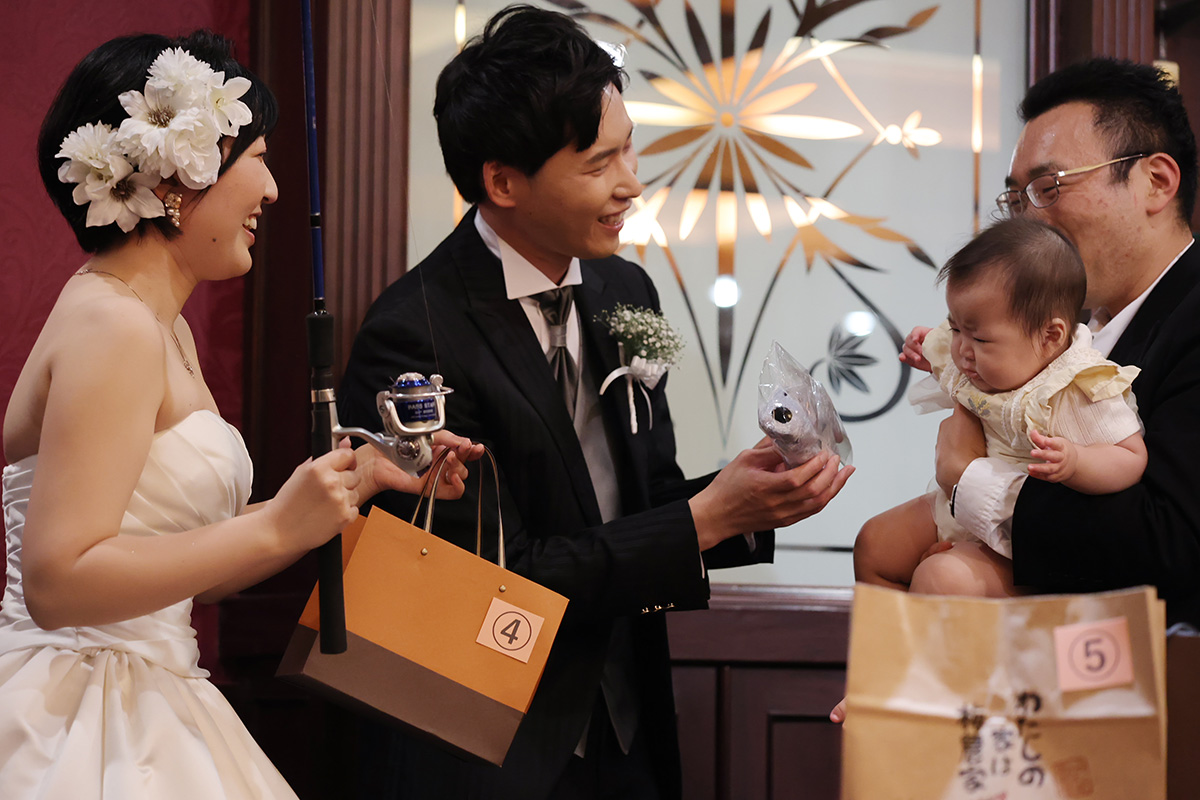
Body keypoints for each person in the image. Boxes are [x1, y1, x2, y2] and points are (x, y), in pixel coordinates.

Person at [338, 6, 853, 799]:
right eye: (598, 163)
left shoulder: (626, 290)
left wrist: (747, 501)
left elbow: (641, 500)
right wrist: (706, 518)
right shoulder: (414, 336)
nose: (630, 183)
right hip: (492, 748)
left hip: (629, 726)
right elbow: (490, 577)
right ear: (502, 182)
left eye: (629, 148)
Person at [0, 31, 478, 799]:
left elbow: (183, 566)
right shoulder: (115, 326)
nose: (274, 190)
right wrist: (279, 527)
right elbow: (58, 583)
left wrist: (359, 476)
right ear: (182, 173)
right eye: (257, 156)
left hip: (148, 684)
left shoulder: (156, 326)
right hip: (81, 710)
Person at [927, 58, 1200, 625]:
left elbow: (1174, 540)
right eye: (1016, 200)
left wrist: (968, 480)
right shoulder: (1069, 340)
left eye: (1048, 188)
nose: (1026, 222)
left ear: (1156, 181)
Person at [854, 217, 1146, 600]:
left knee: (939, 579)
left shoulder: (1076, 386)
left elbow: (1131, 456)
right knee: (874, 544)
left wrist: (1077, 461)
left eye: (980, 338)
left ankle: (951, 635)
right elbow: (947, 353)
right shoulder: (976, 354)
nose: (962, 350)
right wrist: (927, 352)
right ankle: (898, 636)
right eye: (955, 328)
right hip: (956, 504)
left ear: (1050, 335)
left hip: (1020, 536)